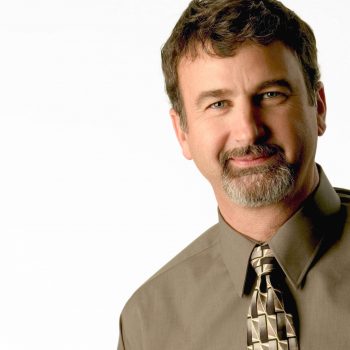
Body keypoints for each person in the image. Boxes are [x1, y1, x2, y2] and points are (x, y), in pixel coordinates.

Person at [118, 0, 350, 349]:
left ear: (318, 106)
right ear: (182, 132)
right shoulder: (148, 322)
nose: (248, 131)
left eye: (271, 95)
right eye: (218, 104)